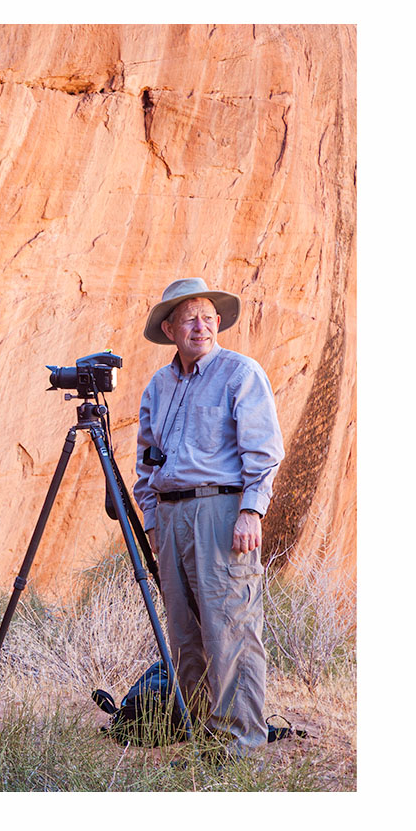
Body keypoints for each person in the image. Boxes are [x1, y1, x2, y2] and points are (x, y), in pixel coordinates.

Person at [133, 277, 285, 760]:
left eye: (206, 317)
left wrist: (250, 511)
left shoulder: (240, 372)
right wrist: (153, 523)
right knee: (184, 633)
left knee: (231, 626)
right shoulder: (158, 386)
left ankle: (239, 743)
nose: (200, 327)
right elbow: (145, 462)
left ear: (217, 322)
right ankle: (200, 734)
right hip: (170, 516)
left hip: (221, 511)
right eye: (188, 319)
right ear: (169, 329)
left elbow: (264, 452)